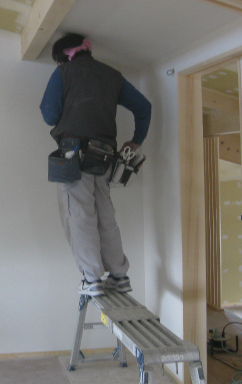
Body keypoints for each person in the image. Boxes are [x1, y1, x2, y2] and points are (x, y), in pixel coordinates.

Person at [40, 33, 151, 297]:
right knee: (105, 215)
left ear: (64, 57)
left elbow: (49, 114)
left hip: (73, 156)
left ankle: (92, 279)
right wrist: (136, 141)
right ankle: (119, 275)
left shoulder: (64, 72)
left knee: (79, 215)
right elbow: (144, 106)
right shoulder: (112, 75)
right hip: (105, 157)